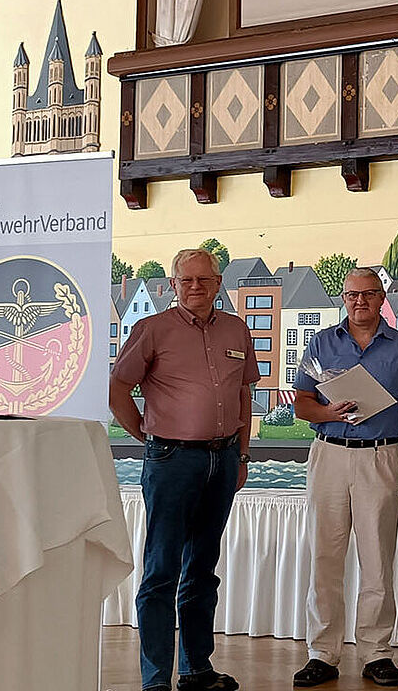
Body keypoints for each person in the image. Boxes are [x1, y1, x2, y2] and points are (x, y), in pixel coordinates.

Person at [110, 248, 259, 691]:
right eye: (186, 280)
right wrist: (146, 436)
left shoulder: (236, 328)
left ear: (218, 283)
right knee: (160, 572)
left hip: (224, 458)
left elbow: (244, 395)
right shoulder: (152, 330)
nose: (196, 287)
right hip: (171, 461)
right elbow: (118, 385)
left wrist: (243, 455)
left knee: (202, 569)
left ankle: (196, 670)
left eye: (205, 279)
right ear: (172, 285)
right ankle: (155, 679)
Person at [291, 268, 398, 688]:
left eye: (369, 294)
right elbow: (301, 403)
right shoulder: (321, 342)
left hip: (380, 456)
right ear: (344, 298)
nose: (360, 301)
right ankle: (323, 652)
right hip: (329, 454)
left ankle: (376, 652)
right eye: (352, 295)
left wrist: (392, 422)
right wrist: (328, 413)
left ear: (381, 297)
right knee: (325, 557)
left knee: (377, 558)